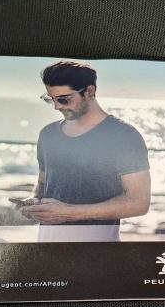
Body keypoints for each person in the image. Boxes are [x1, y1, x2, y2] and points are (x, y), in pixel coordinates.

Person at [20, 61, 151, 241]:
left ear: (89, 92)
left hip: (97, 251)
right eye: (50, 99)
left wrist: (68, 213)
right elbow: (43, 185)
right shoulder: (48, 134)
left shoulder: (123, 136)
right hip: (47, 246)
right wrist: (33, 202)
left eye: (64, 99)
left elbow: (139, 203)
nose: (57, 106)